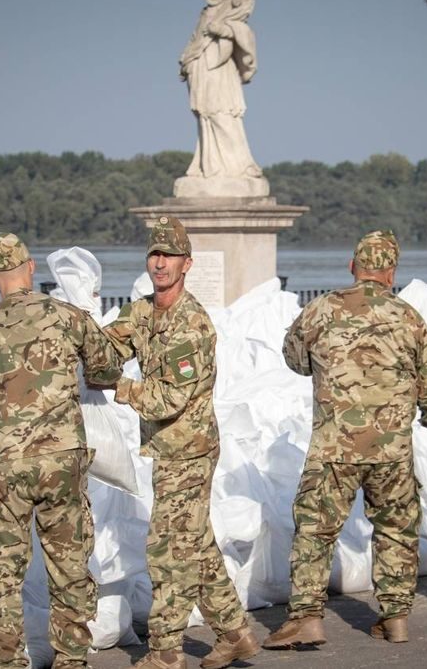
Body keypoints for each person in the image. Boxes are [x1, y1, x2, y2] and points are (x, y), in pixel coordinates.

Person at [263, 231, 427, 649]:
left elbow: (294, 358)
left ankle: (307, 617)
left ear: (353, 266)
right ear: (392, 272)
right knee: (396, 529)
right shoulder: (409, 316)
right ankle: (396, 617)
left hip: (335, 447)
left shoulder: (323, 309)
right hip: (392, 451)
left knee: (316, 529)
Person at [96, 216, 258, 669]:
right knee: (196, 543)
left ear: (187, 264)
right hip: (167, 450)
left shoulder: (192, 325)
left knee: (168, 549)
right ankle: (235, 632)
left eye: (169, 256)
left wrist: (122, 388)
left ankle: (166, 651)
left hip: (190, 450)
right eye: (154, 254)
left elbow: (169, 398)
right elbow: (109, 346)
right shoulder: (144, 311)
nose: (160, 263)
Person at [0, 234, 121, 669]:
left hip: (4, 464)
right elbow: (106, 366)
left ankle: (8, 662)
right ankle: (70, 660)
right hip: (61, 459)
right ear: (31, 269)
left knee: (1, 571)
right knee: (68, 565)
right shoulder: (67, 317)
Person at [175, 0, 265, 194]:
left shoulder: (234, 7)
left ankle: (239, 166)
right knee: (206, 117)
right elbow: (196, 38)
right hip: (201, 70)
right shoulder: (207, 12)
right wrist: (187, 59)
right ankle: (210, 167)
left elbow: (245, 33)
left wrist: (225, 30)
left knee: (222, 114)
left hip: (220, 71)